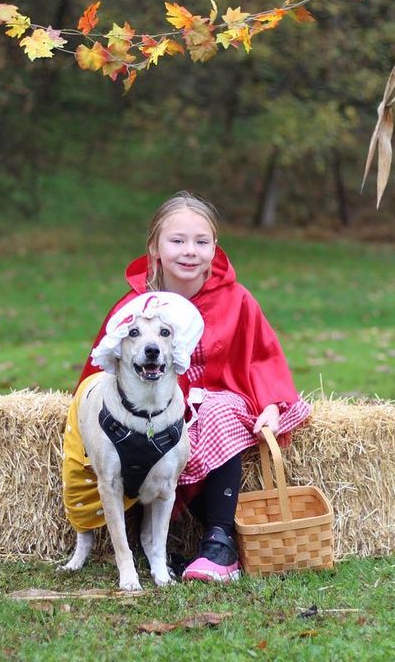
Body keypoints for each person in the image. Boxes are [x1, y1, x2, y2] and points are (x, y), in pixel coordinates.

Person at [73, 190, 311, 582]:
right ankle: (148, 544)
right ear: (155, 247)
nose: (190, 251)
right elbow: (100, 374)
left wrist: (271, 403)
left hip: (215, 411)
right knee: (142, 433)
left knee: (212, 416)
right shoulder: (134, 309)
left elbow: (261, 355)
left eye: (201, 242)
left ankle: (219, 541)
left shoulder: (236, 300)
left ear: (215, 247)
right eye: (177, 240)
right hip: (151, 415)